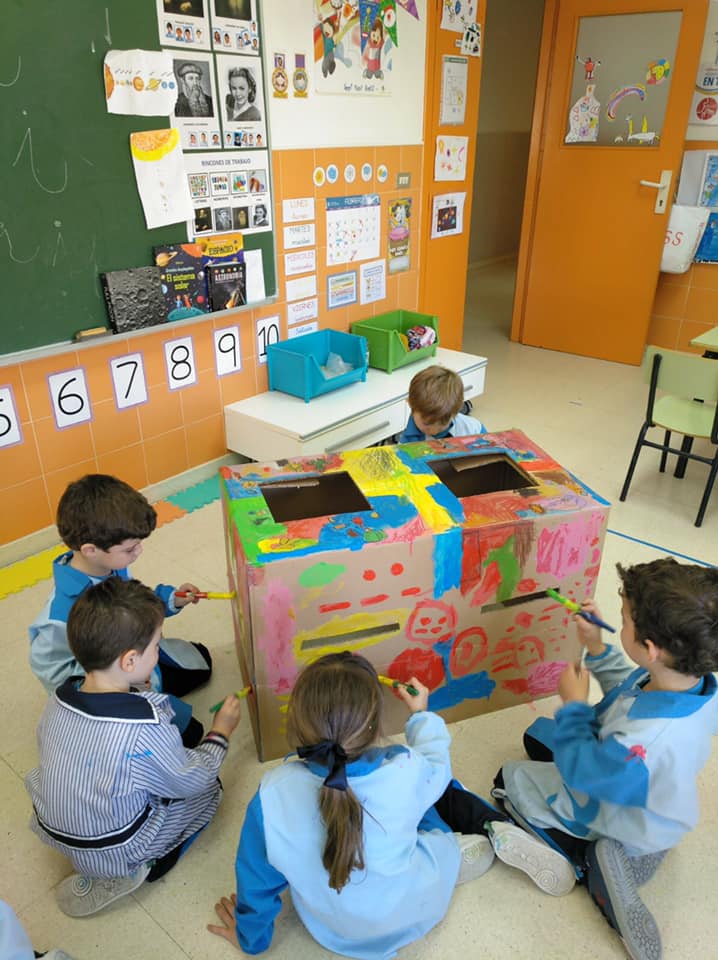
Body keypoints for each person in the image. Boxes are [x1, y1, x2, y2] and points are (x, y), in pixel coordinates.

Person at [207, 652, 574, 955]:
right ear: (374, 726)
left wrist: (251, 939)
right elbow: (437, 764)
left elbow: (256, 881)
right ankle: (478, 836)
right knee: (436, 800)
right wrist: (420, 715)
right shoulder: (405, 769)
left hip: (336, 931)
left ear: (296, 726)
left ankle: (462, 850)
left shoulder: (270, 795)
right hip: (414, 909)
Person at [493, 558, 718, 960]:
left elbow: (584, 774)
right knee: (539, 735)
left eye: (625, 619)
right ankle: (641, 849)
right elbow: (627, 691)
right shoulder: (691, 683)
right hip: (652, 798)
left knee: (509, 778)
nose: (620, 622)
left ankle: (590, 856)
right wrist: (597, 648)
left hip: (614, 801)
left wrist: (574, 706)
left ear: (651, 649)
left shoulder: (647, 743)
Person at [26, 578, 242, 918]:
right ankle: (144, 865)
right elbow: (191, 779)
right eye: (156, 646)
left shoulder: (58, 698)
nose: (158, 653)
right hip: (117, 847)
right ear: (129, 661)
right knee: (210, 790)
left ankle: (111, 859)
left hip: (60, 831)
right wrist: (220, 732)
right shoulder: (143, 729)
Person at [28, 474, 212, 746]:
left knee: (203, 662)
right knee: (192, 734)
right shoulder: (59, 616)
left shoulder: (109, 565)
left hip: (134, 662)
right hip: (113, 686)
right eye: (129, 548)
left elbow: (133, 604)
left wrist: (172, 599)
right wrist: (109, 677)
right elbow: (49, 669)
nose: (139, 551)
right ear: (91, 550)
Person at [398, 365, 486, 442]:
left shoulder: (474, 429)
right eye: (426, 423)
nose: (434, 431)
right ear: (410, 404)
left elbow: (489, 447)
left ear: (454, 414)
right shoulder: (407, 441)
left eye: (443, 424)